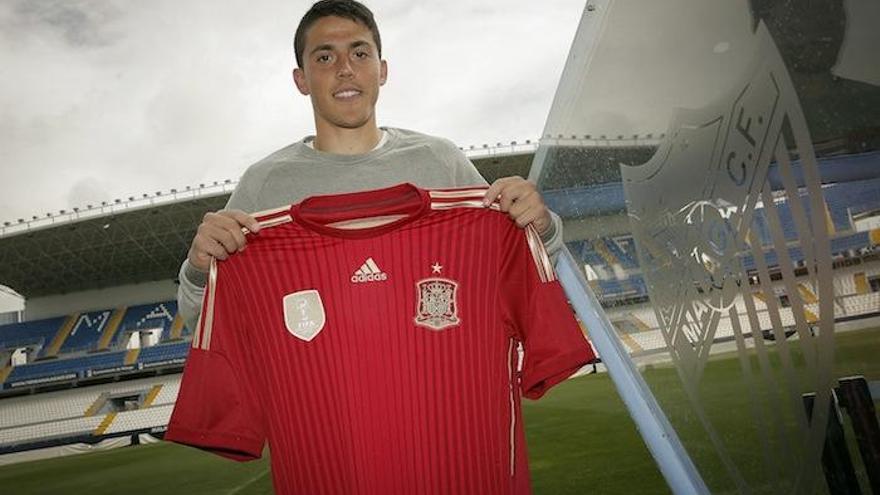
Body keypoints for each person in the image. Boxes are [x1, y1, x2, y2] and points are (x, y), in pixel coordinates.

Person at [177, 0, 564, 331]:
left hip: (436, 398)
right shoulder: (265, 184)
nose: (345, 68)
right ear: (301, 80)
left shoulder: (439, 162)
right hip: (322, 410)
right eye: (325, 56)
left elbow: (516, 277)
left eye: (360, 53)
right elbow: (206, 321)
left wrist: (540, 228)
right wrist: (199, 270)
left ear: (382, 70)